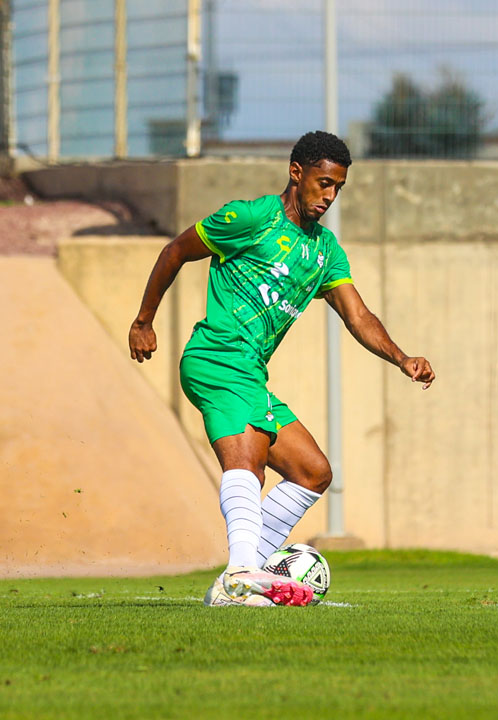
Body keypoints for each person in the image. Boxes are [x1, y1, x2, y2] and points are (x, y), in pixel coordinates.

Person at [129, 131, 435, 607]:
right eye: (324, 183)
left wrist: (401, 357)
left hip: (250, 372)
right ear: (297, 172)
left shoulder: (325, 251)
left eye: (338, 188)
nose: (330, 196)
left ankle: (241, 577)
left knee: (313, 471)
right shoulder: (251, 218)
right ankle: (240, 574)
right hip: (217, 358)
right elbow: (175, 252)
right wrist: (143, 321)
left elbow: (358, 316)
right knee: (247, 463)